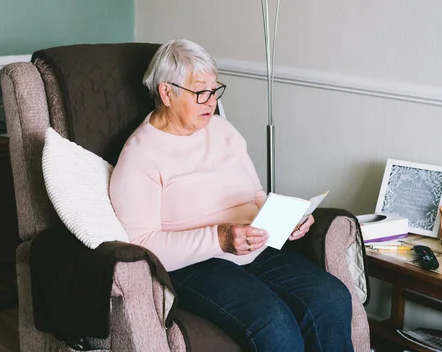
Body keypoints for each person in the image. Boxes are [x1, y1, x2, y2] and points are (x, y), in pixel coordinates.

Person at [109, 39, 353, 351]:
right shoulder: (140, 156)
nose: (210, 101)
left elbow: (254, 194)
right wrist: (220, 238)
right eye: (200, 92)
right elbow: (140, 246)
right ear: (166, 92)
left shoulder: (223, 131)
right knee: (274, 323)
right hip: (194, 264)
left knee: (331, 297)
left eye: (215, 90)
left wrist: (284, 219)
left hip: (254, 246)